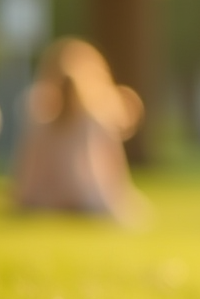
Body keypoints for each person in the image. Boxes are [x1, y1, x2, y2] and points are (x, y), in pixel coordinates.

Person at [12, 37, 148, 225]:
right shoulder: (53, 120)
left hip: (59, 195)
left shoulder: (81, 121)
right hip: (73, 194)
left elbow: (30, 168)